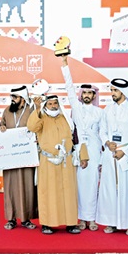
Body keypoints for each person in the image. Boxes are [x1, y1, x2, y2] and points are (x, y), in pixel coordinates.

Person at [27, 93, 88, 234]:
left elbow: (77, 138)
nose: (53, 106)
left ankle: (71, 223)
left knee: (68, 194)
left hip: (67, 162)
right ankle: (47, 224)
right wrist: (37, 108)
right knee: (48, 193)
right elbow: (31, 127)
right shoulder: (41, 118)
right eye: (50, 104)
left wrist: (83, 156)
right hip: (48, 162)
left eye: (55, 103)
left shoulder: (66, 118)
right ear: (45, 105)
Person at [96, 78, 128, 236]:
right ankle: (112, 223)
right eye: (111, 90)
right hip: (110, 154)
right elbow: (102, 130)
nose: (112, 93)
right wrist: (107, 142)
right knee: (110, 189)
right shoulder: (107, 109)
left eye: (115, 90)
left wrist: (126, 151)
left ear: (123, 92)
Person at [61, 56, 102, 231]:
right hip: (78, 151)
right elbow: (69, 87)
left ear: (94, 95)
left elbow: (103, 134)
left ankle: (91, 219)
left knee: (92, 184)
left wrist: (102, 158)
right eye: (84, 93)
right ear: (81, 95)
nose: (86, 96)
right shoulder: (76, 108)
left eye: (89, 93)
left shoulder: (100, 112)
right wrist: (65, 65)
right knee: (79, 185)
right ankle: (80, 218)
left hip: (94, 150)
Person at [0, 85, 38, 230]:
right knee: (10, 187)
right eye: (11, 97)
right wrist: (1, 128)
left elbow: (38, 127)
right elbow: (1, 125)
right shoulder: (7, 111)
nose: (12, 100)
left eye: (15, 97)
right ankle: (11, 219)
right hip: (10, 157)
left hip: (27, 156)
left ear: (23, 98)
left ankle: (26, 219)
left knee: (27, 186)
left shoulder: (32, 110)